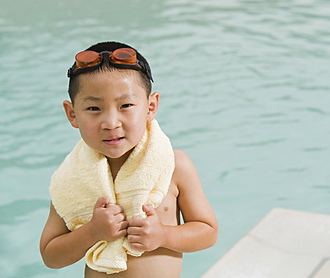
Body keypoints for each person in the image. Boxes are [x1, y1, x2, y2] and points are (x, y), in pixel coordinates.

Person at [39, 41, 218, 278]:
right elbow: (50, 256)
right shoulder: (71, 177)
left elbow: (208, 232)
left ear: (150, 106)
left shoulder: (174, 165)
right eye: (93, 108)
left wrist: (163, 235)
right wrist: (92, 232)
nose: (111, 122)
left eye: (126, 105)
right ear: (72, 114)